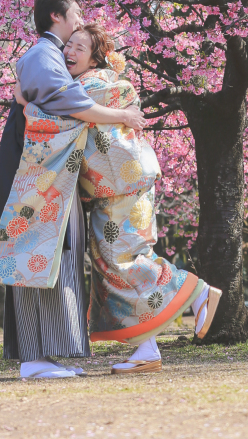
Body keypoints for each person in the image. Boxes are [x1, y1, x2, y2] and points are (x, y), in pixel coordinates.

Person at [0, 0, 146, 381]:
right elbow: (69, 106)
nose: (79, 19)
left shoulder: (47, 56)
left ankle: (46, 357)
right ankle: (37, 359)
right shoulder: (43, 55)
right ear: (57, 16)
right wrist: (119, 116)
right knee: (41, 259)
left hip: (50, 177)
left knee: (51, 259)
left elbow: (57, 104)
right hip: (40, 179)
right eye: (75, 12)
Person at [64, 23, 220, 372]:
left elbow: (61, 107)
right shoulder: (98, 84)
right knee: (112, 262)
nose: (69, 52)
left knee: (120, 259)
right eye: (68, 45)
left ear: (94, 57)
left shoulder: (93, 84)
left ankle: (195, 290)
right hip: (121, 185)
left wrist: (25, 95)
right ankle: (145, 349)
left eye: (79, 47)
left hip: (122, 185)